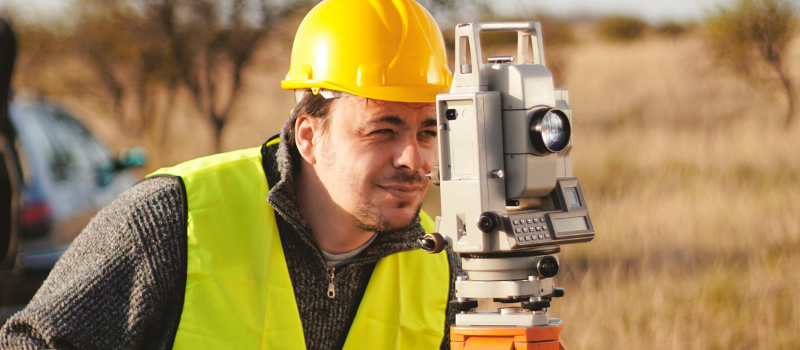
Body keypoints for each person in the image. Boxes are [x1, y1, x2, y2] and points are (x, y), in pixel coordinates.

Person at [0, 0, 463, 349]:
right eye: (383, 130)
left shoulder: (443, 269)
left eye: (427, 132)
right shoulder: (173, 220)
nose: (414, 160)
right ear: (307, 136)